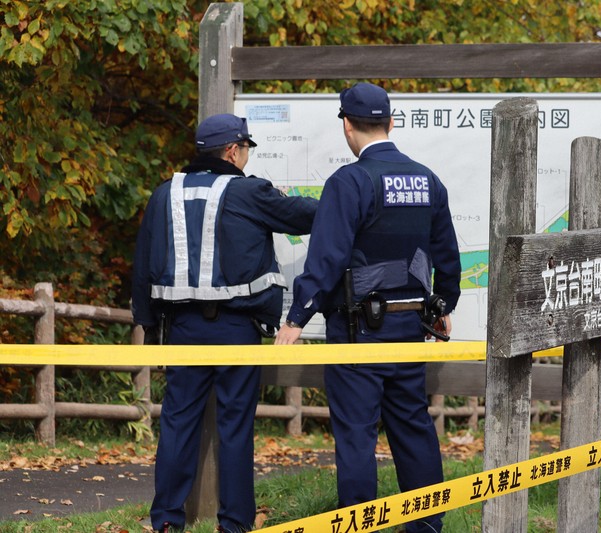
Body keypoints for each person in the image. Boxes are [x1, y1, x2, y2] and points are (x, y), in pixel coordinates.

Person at [275, 82, 461, 533]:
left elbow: (327, 257)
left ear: (346, 126)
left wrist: (296, 316)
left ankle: (359, 527)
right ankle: (427, 526)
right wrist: (443, 304)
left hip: (360, 335)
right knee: (414, 430)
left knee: (357, 436)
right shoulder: (426, 179)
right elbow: (447, 255)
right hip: (410, 331)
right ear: (391, 122)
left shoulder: (350, 181)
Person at [131, 113, 317, 533]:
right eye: (247, 148)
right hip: (236, 329)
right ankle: (234, 523)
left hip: (181, 331)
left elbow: (142, 264)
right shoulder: (248, 192)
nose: (248, 156)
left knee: (177, 423)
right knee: (234, 427)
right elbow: (306, 216)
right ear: (232, 151)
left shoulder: (164, 194)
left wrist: (148, 325)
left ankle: (165, 521)